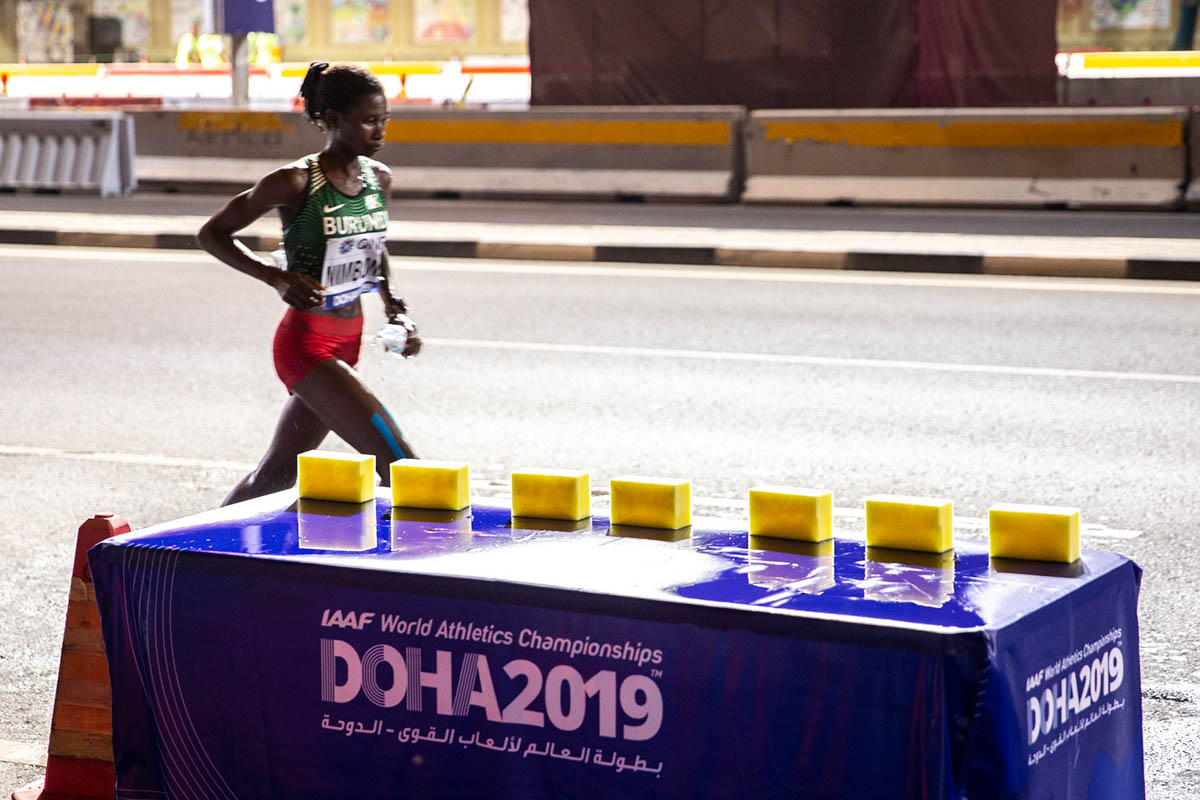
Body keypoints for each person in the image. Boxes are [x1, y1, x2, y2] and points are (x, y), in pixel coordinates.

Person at [198, 61, 420, 506]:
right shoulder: (296, 181)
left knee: (275, 476)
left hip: (348, 339)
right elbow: (212, 234)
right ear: (333, 119)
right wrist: (276, 277)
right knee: (403, 467)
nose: (380, 131)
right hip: (307, 345)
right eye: (369, 120)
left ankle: (197, 546)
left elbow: (373, 248)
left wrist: (396, 309)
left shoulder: (379, 179)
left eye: (384, 120)